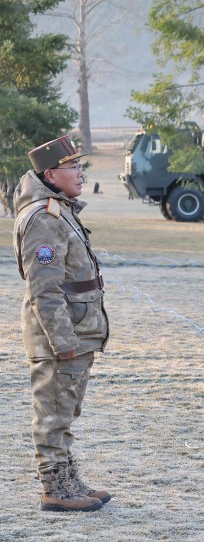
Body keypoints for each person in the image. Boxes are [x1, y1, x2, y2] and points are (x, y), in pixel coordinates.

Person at [13, 135, 110, 512]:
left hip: (75, 329)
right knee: (53, 410)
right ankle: (54, 488)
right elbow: (45, 289)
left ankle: (68, 479)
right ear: (51, 173)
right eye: (73, 167)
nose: (81, 173)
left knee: (65, 409)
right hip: (59, 335)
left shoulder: (60, 208)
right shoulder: (42, 219)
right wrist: (63, 340)